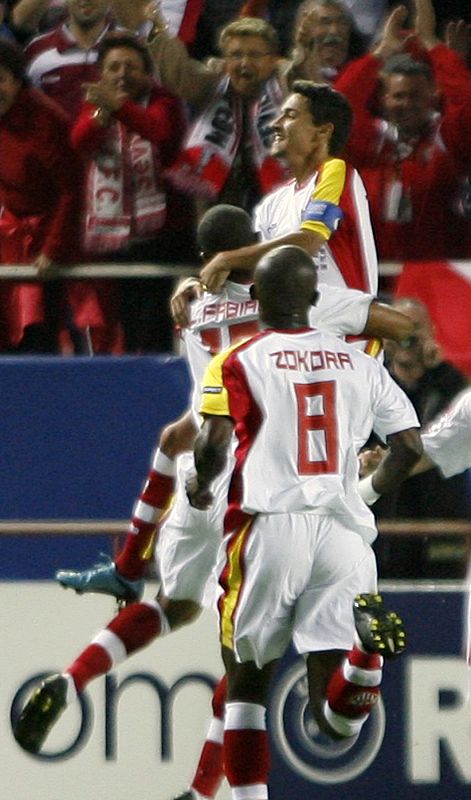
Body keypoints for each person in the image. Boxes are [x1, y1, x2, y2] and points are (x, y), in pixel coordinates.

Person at [13, 207, 414, 781]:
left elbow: (180, 436)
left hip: (207, 475)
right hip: (267, 485)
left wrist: (138, 548)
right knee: (253, 658)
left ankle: (73, 676)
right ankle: (204, 789)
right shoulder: (300, 298)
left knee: (177, 608)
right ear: (253, 247)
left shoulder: (196, 309)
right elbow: (396, 326)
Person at [184, 243, 423, 799]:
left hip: (272, 527)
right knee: (334, 721)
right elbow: (409, 448)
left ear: (258, 298)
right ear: (315, 298)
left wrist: (199, 488)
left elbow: (214, 444)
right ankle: (365, 661)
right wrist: (362, 492)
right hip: (343, 536)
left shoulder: (241, 359)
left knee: (246, 681)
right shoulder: (360, 361)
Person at [197, 80, 378, 316]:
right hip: (293, 341)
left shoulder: (336, 171)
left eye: (290, 116)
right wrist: (197, 290)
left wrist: (226, 259)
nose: (275, 123)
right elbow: (263, 274)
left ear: (323, 131)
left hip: (349, 342)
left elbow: (309, 241)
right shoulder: (272, 203)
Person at [71, 31, 187, 353]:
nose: (122, 74)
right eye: (114, 67)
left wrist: (117, 107)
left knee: (154, 330)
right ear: (101, 73)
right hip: (114, 242)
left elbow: (158, 130)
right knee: (122, 327)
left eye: (131, 67)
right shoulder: (95, 105)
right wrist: (103, 113)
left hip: (162, 239)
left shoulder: (164, 101)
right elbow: (80, 141)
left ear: (146, 72)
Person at [335, 0, 471, 261]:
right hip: (379, 276)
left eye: (416, 95)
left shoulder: (448, 138)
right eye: (398, 96)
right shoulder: (373, 141)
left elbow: (466, 104)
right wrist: (381, 53)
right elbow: (338, 109)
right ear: (384, 98)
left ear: (434, 96)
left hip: (441, 275)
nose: (406, 103)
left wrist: (433, 44)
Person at [140, 13, 289, 214]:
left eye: (254, 55)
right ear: (225, 60)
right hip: (218, 216)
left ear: (273, 60)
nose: (244, 63)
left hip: (282, 213)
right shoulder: (211, 84)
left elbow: (304, 72)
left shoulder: (288, 89)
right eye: (236, 55)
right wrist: (158, 32)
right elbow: (180, 74)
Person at [371, 297, 469, 578]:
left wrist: (439, 369)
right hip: (386, 520)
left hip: (441, 520)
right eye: (401, 328)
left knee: (442, 605)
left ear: (432, 333)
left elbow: (461, 424)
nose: (409, 337)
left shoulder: (448, 383)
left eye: (417, 328)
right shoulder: (373, 386)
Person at [0, 39, 81, 352]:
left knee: (39, 334)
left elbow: (72, 190)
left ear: (17, 80)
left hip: (45, 248)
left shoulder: (46, 121)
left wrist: (52, 249)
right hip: (9, 239)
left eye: (1, 80)